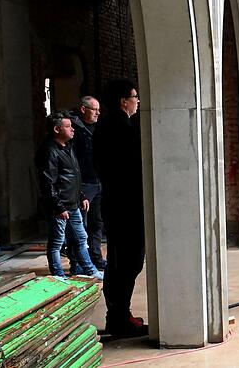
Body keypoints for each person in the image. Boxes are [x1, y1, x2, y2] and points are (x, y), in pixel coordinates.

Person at [93, 79, 146, 337]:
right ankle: (119, 317)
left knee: (121, 261)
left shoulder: (108, 126)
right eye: (134, 96)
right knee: (127, 261)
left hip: (117, 203)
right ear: (123, 101)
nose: (137, 101)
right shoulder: (120, 128)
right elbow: (132, 169)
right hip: (126, 206)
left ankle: (119, 314)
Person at [35, 111, 103, 280]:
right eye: (68, 126)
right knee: (57, 243)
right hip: (61, 207)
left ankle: (90, 270)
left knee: (81, 238)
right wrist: (58, 206)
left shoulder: (68, 148)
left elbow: (74, 177)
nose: (72, 129)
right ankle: (58, 274)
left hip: (72, 204)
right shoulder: (50, 151)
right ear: (57, 129)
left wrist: (81, 196)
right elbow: (48, 182)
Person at [71, 96, 107, 271]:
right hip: (84, 184)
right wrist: (79, 192)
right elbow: (74, 164)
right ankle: (78, 263)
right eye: (94, 109)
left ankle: (96, 258)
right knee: (81, 227)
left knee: (96, 223)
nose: (98, 113)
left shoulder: (95, 129)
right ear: (83, 109)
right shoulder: (75, 131)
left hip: (97, 181)